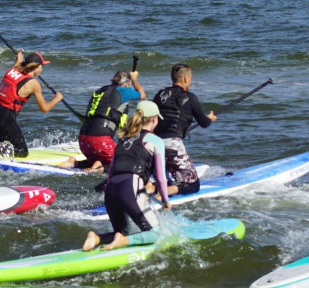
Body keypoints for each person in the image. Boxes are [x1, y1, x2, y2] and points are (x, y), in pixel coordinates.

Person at [82, 100, 171, 252]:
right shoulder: (155, 140)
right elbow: (161, 177)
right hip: (129, 187)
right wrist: (165, 201)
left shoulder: (123, 140)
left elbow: (110, 173)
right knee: (155, 234)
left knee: (123, 231)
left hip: (111, 190)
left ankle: (97, 238)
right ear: (154, 119)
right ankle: (122, 241)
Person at [151, 63, 216, 196]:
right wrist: (210, 118)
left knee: (167, 176)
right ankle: (163, 193)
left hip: (153, 142)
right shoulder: (190, 97)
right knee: (192, 185)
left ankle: (150, 189)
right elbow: (203, 123)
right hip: (173, 144)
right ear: (186, 79)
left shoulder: (159, 95)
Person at [0, 50, 63, 157]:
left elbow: (18, 66)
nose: (42, 69)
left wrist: (18, 60)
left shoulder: (12, 71)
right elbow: (44, 108)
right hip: (6, 119)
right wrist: (57, 98)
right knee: (22, 152)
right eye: (42, 66)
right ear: (36, 67)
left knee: (8, 146)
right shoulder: (34, 84)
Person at [73, 70, 145, 171]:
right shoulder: (123, 91)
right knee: (125, 162)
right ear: (127, 84)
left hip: (83, 141)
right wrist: (135, 80)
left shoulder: (100, 91)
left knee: (101, 157)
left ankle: (74, 163)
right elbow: (142, 94)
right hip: (100, 141)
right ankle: (99, 168)